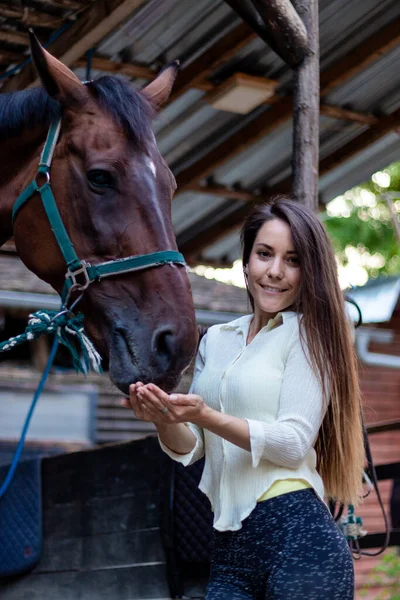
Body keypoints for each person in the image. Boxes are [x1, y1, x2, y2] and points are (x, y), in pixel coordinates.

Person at [121, 197, 365, 600]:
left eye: (292, 260)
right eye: (264, 254)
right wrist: (163, 416)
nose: (274, 271)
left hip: (298, 539)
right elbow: (194, 448)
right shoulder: (216, 340)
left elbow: (291, 444)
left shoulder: (308, 336)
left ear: (309, 272)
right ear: (246, 262)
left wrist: (206, 414)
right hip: (229, 547)